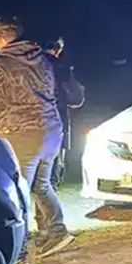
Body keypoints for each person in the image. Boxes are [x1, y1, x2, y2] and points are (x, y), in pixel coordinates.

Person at [0, 16, 74, 258]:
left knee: (18, 191)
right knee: (41, 185)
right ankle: (57, 232)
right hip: (52, 131)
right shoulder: (43, 59)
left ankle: (20, 251)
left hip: (20, 135)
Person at [44, 38, 85, 188]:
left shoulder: (24, 67)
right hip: (56, 122)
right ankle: (46, 210)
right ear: (58, 49)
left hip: (24, 126)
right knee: (52, 172)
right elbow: (76, 98)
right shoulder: (61, 68)